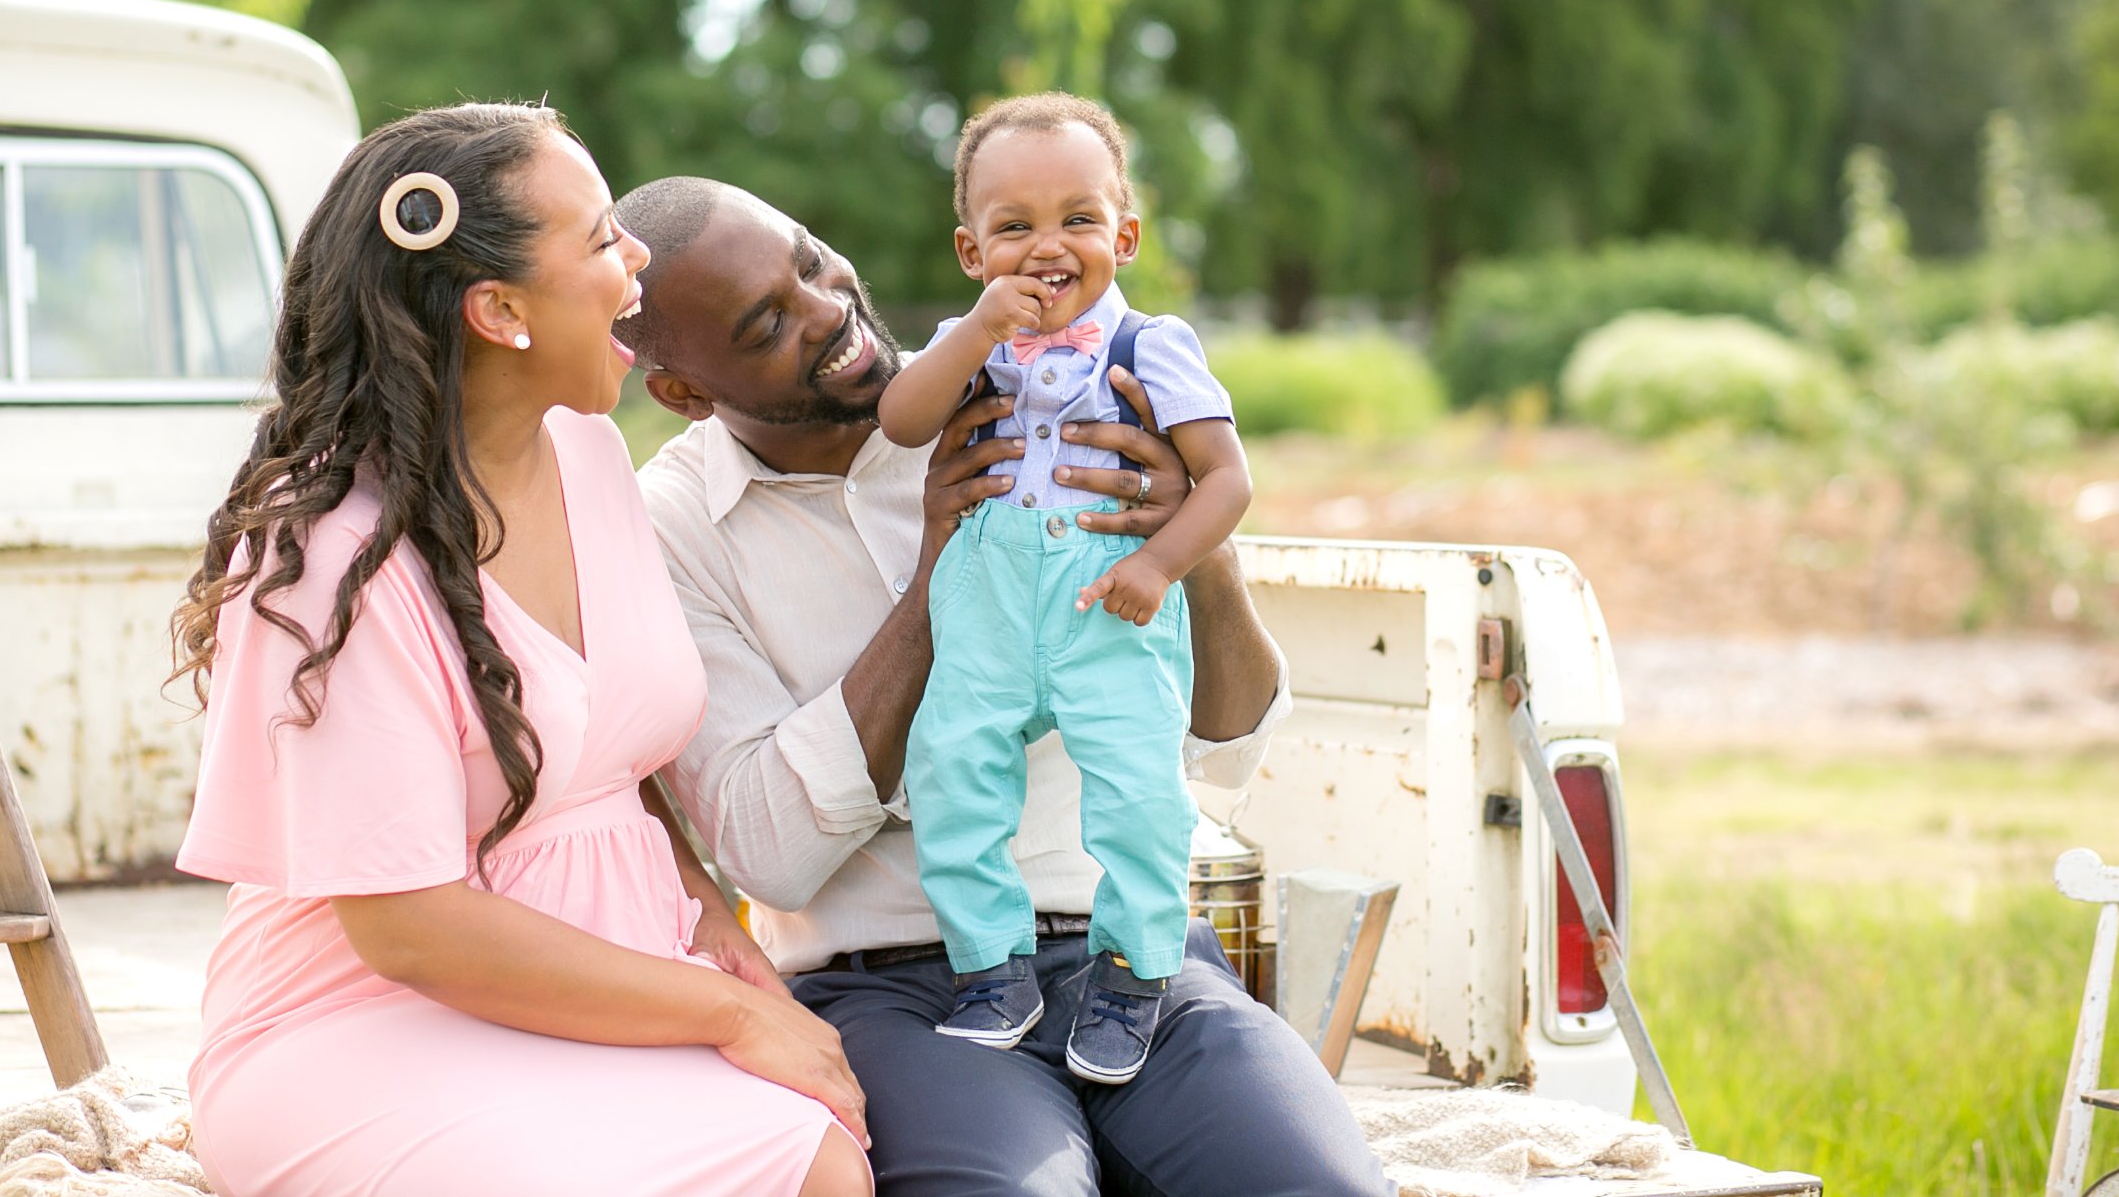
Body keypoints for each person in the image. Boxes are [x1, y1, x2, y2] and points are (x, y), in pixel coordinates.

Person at [622, 172, 1393, 1197]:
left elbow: (1227, 753)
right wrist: (949, 563)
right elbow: (773, 854)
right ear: (681, 389)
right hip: (893, 987)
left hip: (1140, 960)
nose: (827, 311)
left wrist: (1195, 547)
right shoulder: (668, 530)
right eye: (767, 322)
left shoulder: (1048, 388)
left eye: (809, 260)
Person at [168, 104, 873, 1197]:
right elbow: (410, 929)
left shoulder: (591, 453)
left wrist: (707, 918)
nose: (635, 254)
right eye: (599, 239)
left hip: (617, 971)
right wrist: (726, 1009)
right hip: (368, 1021)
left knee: (822, 1153)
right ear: (500, 309)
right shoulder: (330, 557)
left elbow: (611, 765)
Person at [874, 94, 1252, 1080]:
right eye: (1014, 226)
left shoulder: (1152, 345)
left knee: (1138, 792)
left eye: (1077, 218)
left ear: (1123, 234)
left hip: (1106, 593)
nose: (1048, 245)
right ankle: (992, 967)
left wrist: (1158, 562)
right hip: (992, 596)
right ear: (971, 250)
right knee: (953, 769)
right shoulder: (975, 345)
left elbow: (1226, 478)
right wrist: (973, 330)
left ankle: (1131, 972)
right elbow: (904, 418)